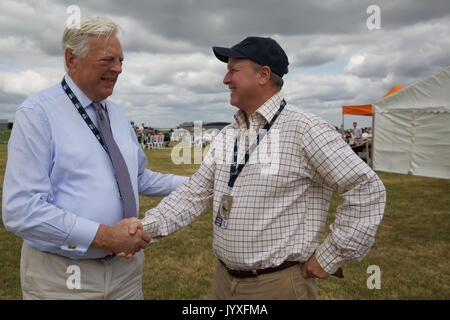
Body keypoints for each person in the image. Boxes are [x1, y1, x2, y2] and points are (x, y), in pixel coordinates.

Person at [135, 36, 386, 300]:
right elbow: (194, 193)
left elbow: (366, 188)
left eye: (233, 70)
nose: (225, 79)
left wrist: (330, 255)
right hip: (223, 279)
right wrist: (144, 229)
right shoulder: (229, 134)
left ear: (264, 75)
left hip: (278, 285)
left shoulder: (305, 129)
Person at [2, 17, 187, 300]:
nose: (118, 69)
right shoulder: (38, 114)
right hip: (63, 278)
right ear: (71, 58)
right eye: (108, 60)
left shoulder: (117, 114)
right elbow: (21, 210)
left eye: (121, 60)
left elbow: (138, 178)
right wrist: (103, 236)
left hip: (125, 271)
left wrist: (200, 183)